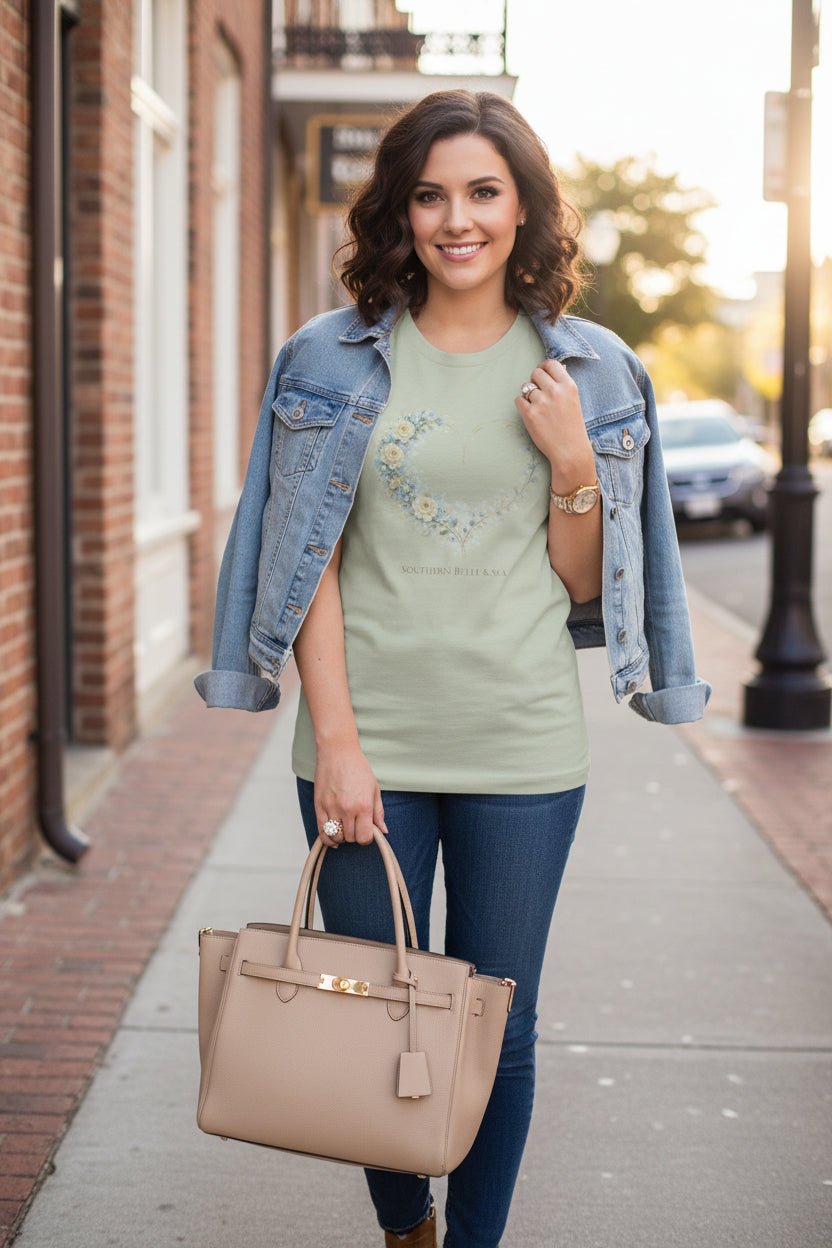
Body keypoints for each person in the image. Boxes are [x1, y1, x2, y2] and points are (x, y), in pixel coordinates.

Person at [195, 89, 710, 1248]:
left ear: (523, 209)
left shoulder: (593, 368)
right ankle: (404, 1228)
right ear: (400, 211)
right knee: (370, 1016)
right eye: (430, 194)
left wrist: (574, 458)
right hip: (360, 736)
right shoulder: (326, 358)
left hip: (523, 741)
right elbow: (304, 558)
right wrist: (337, 743)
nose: (456, 219)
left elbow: (582, 583)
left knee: (499, 1027)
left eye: (483, 192)